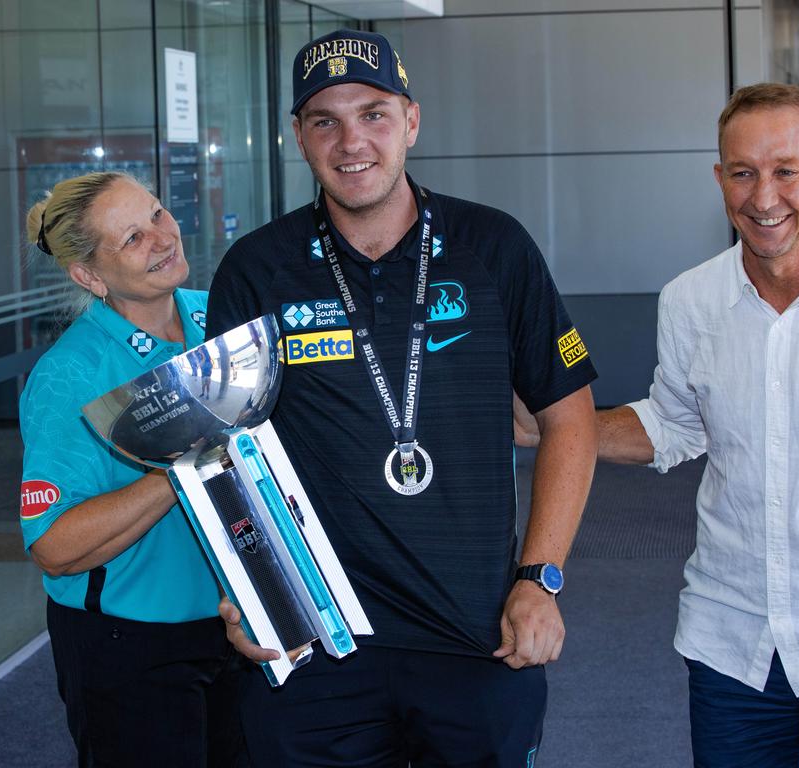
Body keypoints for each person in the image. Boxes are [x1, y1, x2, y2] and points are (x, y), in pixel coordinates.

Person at [206, 29, 598, 766]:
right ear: (298, 136)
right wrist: (246, 588)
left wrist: (540, 578)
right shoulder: (257, 269)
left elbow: (567, 414)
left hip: (479, 635)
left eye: (374, 113)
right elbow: (223, 455)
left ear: (412, 122)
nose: (352, 141)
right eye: (325, 120)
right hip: (318, 639)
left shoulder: (494, 248)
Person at [597, 83, 799, 767]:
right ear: (720, 178)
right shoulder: (689, 301)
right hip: (732, 637)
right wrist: (556, 430)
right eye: (743, 173)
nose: (763, 198)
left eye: (786, 171)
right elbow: (673, 425)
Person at [19, 171, 243, 767]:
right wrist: (178, 465)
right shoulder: (69, 375)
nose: (163, 238)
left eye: (158, 214)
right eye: (132, 239)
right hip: (129, 644)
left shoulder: (216, 317)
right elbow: (54, 546)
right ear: (90, 276)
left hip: (238, 625)